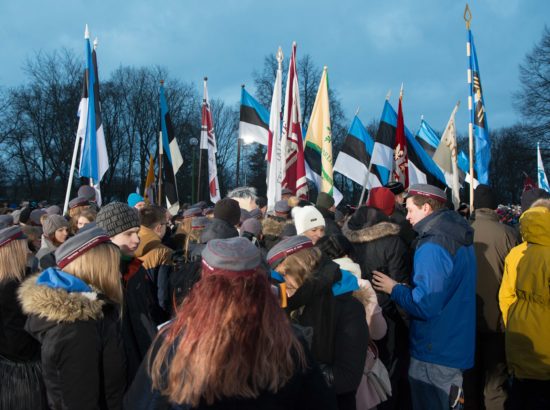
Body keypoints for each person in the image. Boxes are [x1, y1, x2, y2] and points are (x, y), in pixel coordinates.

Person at [125, 237, 337, 409]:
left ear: (204, 286)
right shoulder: (289, 342)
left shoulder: (175, 341)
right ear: (261, 286)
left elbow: (142, 403)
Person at [372, 183, 476, 410]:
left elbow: (425, 304)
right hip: (451, 343)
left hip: (434, 350)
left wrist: (394, 288)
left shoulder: (432, 245)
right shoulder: (456, 235)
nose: (407, 216)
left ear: (427, 208)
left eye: (410, 210)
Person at [18, 226, 126, 409]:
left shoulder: (87, 317)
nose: (119, 274)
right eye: (113, 266)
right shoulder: (77, 328)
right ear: (94, 269)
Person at [268, 236, 368, 410]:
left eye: (284, 274)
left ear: (300, 268)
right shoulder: (288, 303)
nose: (281, 283)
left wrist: (292, 370)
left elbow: (347, 378)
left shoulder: (347, 306)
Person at [342, 205, 411, 410]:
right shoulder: (393, 242)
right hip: (386, 312)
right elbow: (399, 283)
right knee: (387, 370)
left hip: (353, 312)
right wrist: (407, 321)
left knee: (361, 369)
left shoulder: (347, 240)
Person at [465, 184, 520, 409]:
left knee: (471, 379)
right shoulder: (508, 234)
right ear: (494, 207)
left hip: (468, 317)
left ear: (475, 206)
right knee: (495, 384)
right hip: (499, 318)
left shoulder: (465, 232)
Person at [96, 202, 163, 384]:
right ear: (108, 237)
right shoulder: (97, 277)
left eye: (137, 232)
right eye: (128, 234)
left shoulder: (136, 269)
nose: (136, 240)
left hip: (142, 366)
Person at [499, 202, 550, 409]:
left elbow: (505, 297)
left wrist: (511, 325)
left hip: (518, 332)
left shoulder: (516, 253)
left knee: (520, 395)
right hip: (544, 338)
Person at [0, 226, 47, 409]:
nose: (28, 250)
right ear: (14, 251)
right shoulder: (16, 286)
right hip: (23, 375)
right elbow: (19, 343)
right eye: (24, 246)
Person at [135, 205, 174, 314]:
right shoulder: (164, 252)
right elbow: (163, 296)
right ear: (158, 227)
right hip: (155, 315)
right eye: (166, 224)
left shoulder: (129, 245)